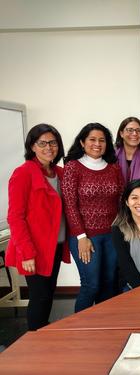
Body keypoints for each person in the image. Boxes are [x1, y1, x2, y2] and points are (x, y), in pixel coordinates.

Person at [6, 124, 71, 330]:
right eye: (42, 143)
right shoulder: (23, 173)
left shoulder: (60, 173)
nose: (48, 147)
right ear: (32, 146)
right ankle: (34, 338)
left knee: (48, 293)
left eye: (52, 142)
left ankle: (42, 331)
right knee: (40, 297)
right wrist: (27, 253)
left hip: (55, 246)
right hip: (34, 249)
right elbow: (15, 217)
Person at [61, 123, 124, 312]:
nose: (97, 144)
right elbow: (69, 205)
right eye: (92, 139)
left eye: (102, 140)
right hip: (86, 237)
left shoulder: (114, 168)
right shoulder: (73, 167)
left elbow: (121, 201)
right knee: (92, 285)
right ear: (82, 142)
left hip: (112, 235)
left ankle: (104, 327)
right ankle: (80, 330)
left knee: (109, 283)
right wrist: (81, 237)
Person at [115, 116, 140, 183]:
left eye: (138, 130)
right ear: (121, 133)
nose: (135, 134)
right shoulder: (111, 155)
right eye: (130, 130)